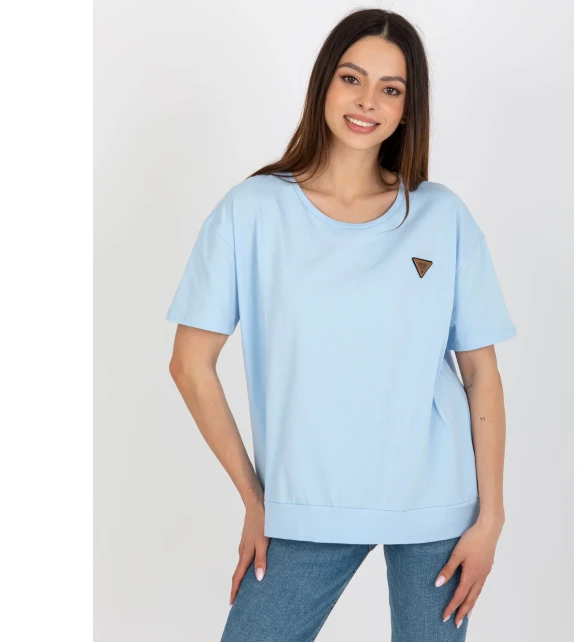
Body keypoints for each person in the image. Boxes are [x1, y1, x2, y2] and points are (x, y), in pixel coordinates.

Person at [166, 8, 517, 642]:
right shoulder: (253, 210)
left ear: (408, 108)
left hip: (438, 507)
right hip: (306, 504)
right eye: (352, 79)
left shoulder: (441, 215)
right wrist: (256, 501)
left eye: (391, 88)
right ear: (324, 83)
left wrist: (490, 518)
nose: (367, 102)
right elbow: (189, 366)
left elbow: (480, 372)